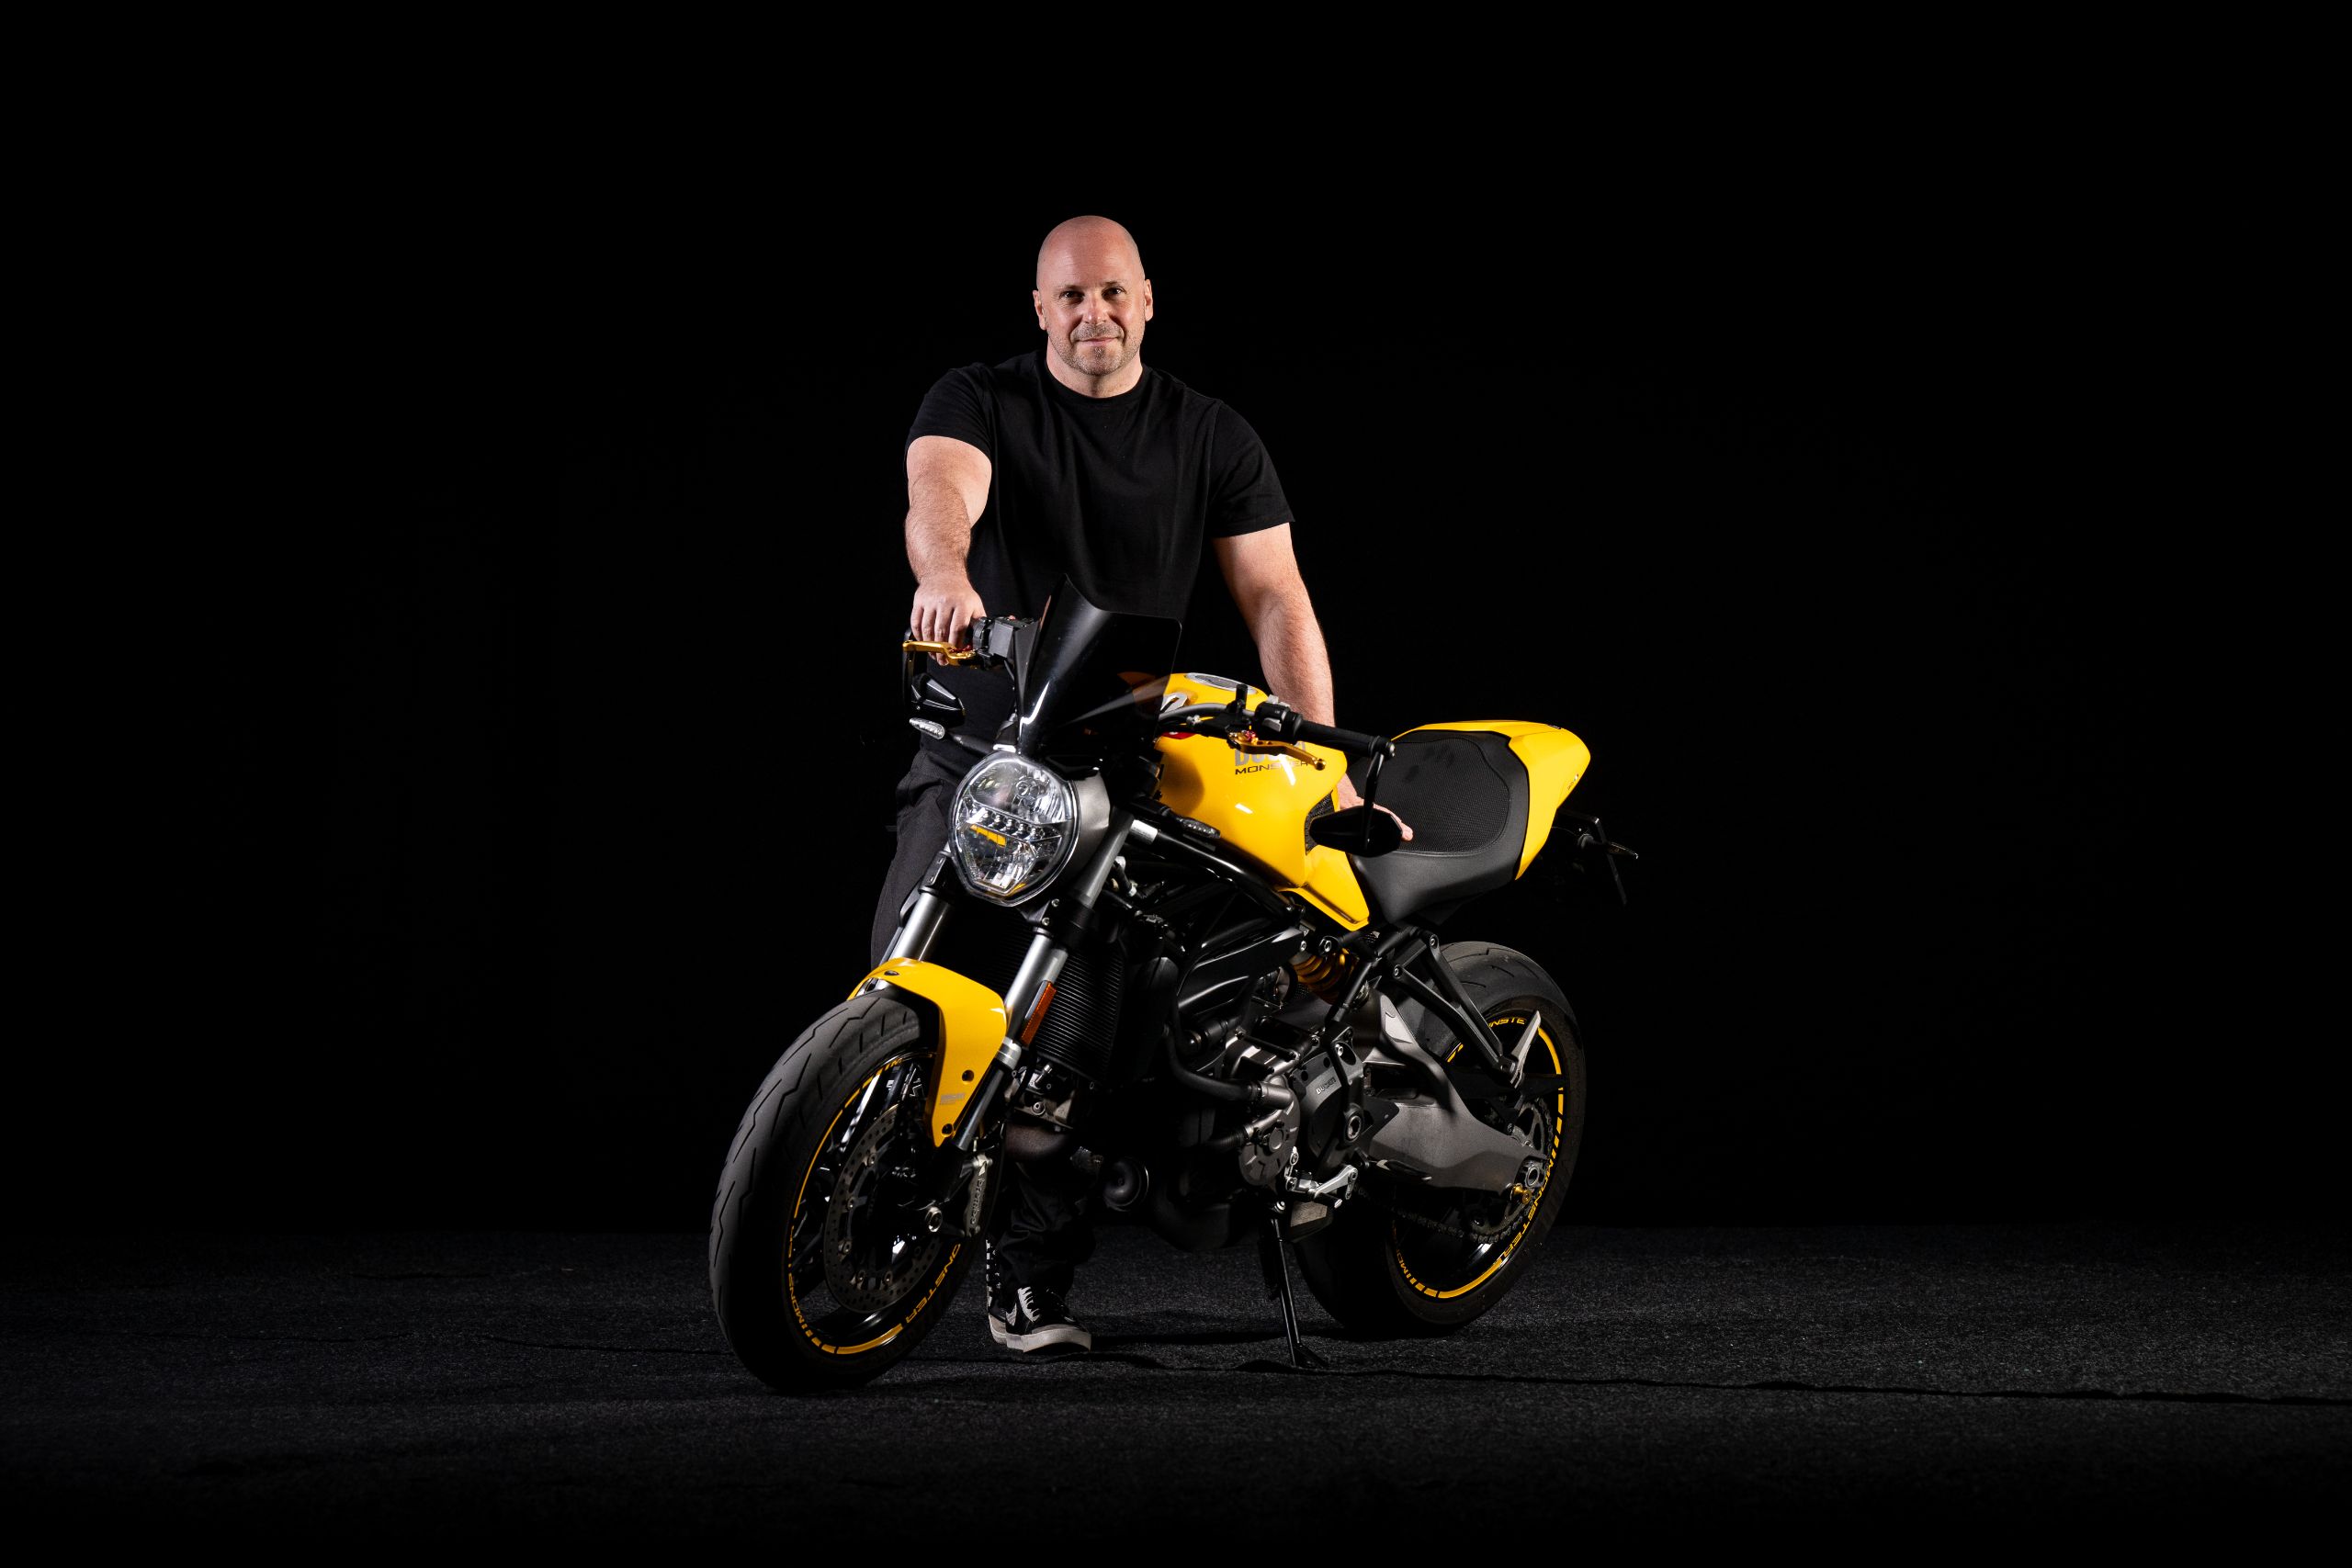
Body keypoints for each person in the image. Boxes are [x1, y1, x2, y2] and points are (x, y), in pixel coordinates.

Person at [871, 214, 1405, 1356]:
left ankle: (1031, 1282)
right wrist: (947, 576)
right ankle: (866, 1213)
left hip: (1117, 765)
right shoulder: (979, 399)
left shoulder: (1209, 434)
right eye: (1070, 297)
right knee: (905, 985)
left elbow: (1275, 595)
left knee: (1081, 1032)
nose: (1093, 315)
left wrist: (1320, 758)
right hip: (983, 749)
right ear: (1039, 308)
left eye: (1112, 293)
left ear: (1147, 300)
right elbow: (940, 496)